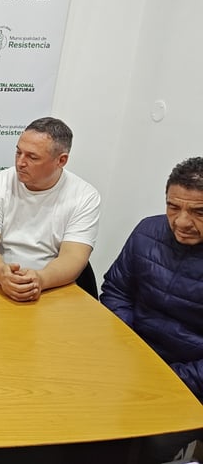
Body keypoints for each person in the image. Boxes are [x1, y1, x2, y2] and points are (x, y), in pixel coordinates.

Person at [101, 157, 203, 402]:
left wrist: (167, 378)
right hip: (131, 355)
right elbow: (116, 291)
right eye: (173, 207)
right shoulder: (147, 231)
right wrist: (127, 343)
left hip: (187, 381)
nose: (182, 222)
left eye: (199, 212)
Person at [0, 117, 100, 301]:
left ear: (61, 160)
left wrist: (40, 279)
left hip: (52, 283)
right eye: (18, 152)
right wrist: (2, 274)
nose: (20, 162)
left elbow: (73, 256)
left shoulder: (84, 196)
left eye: (32, 157)